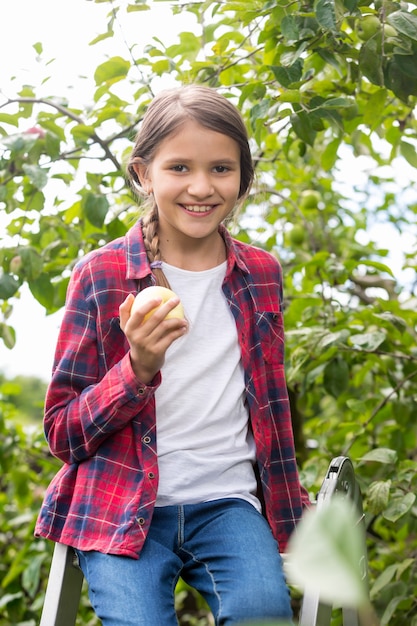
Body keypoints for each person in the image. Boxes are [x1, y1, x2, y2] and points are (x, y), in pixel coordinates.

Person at [35, 83, 310, 626]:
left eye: (222, 169)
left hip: (228, 504)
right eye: (179, 167)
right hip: (121, 503)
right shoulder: (103, 275)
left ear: (243, 177)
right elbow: (62, 433)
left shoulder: (261, 275)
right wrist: (136, 369)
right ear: (144, 173)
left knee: (263, 612)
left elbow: (272, 406)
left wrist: (294, 510)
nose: (202, 187)